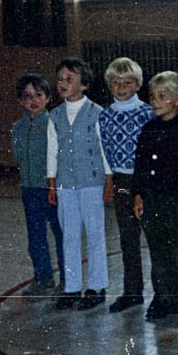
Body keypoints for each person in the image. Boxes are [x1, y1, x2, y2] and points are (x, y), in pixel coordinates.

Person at [133, 71, 178, 326]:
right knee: (160, 253)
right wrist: (138, 195)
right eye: (152, 96)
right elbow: (140, 165)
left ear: (177, 99)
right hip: (153, 200)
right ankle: (168, 299)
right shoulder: (148, 129)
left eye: (162, 96)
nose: (155, 101)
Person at [46, 58, 111, 311]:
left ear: (84, 85)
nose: (63, 83)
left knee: (95, 234)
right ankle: (72, 287)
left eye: (69, 78)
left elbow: (105, 150)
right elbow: (52, 152)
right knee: (69, 236)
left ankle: (97, 287)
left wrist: (108, 180)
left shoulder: (97, 113)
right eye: (60, 78)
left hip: (92, 183)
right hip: (65, 184)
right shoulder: (54, 116)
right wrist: (51, 183)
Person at [99, 57, 153, 313]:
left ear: (138, 84)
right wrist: (109, 181)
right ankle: (132, 292)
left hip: (145, 181)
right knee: (128, 237)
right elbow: (105, 150)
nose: (121, 88)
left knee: (154, 238)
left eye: (127, 82)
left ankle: (164, 295)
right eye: (116, 83)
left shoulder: (147, 112)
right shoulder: (106, 115)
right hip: (121, 181)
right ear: (109, 85)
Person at [12, 74, 64, 297]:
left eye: (38, 95)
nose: (33, 100)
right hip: (29, 188)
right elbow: (18, 157)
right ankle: (43, 278)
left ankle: (67, 278)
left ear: (48, 97)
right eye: (27, 96)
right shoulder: (17, 128)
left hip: (52, 187)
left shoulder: (55, 124)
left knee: (61, 233)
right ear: (21, 100)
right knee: (36, 236)